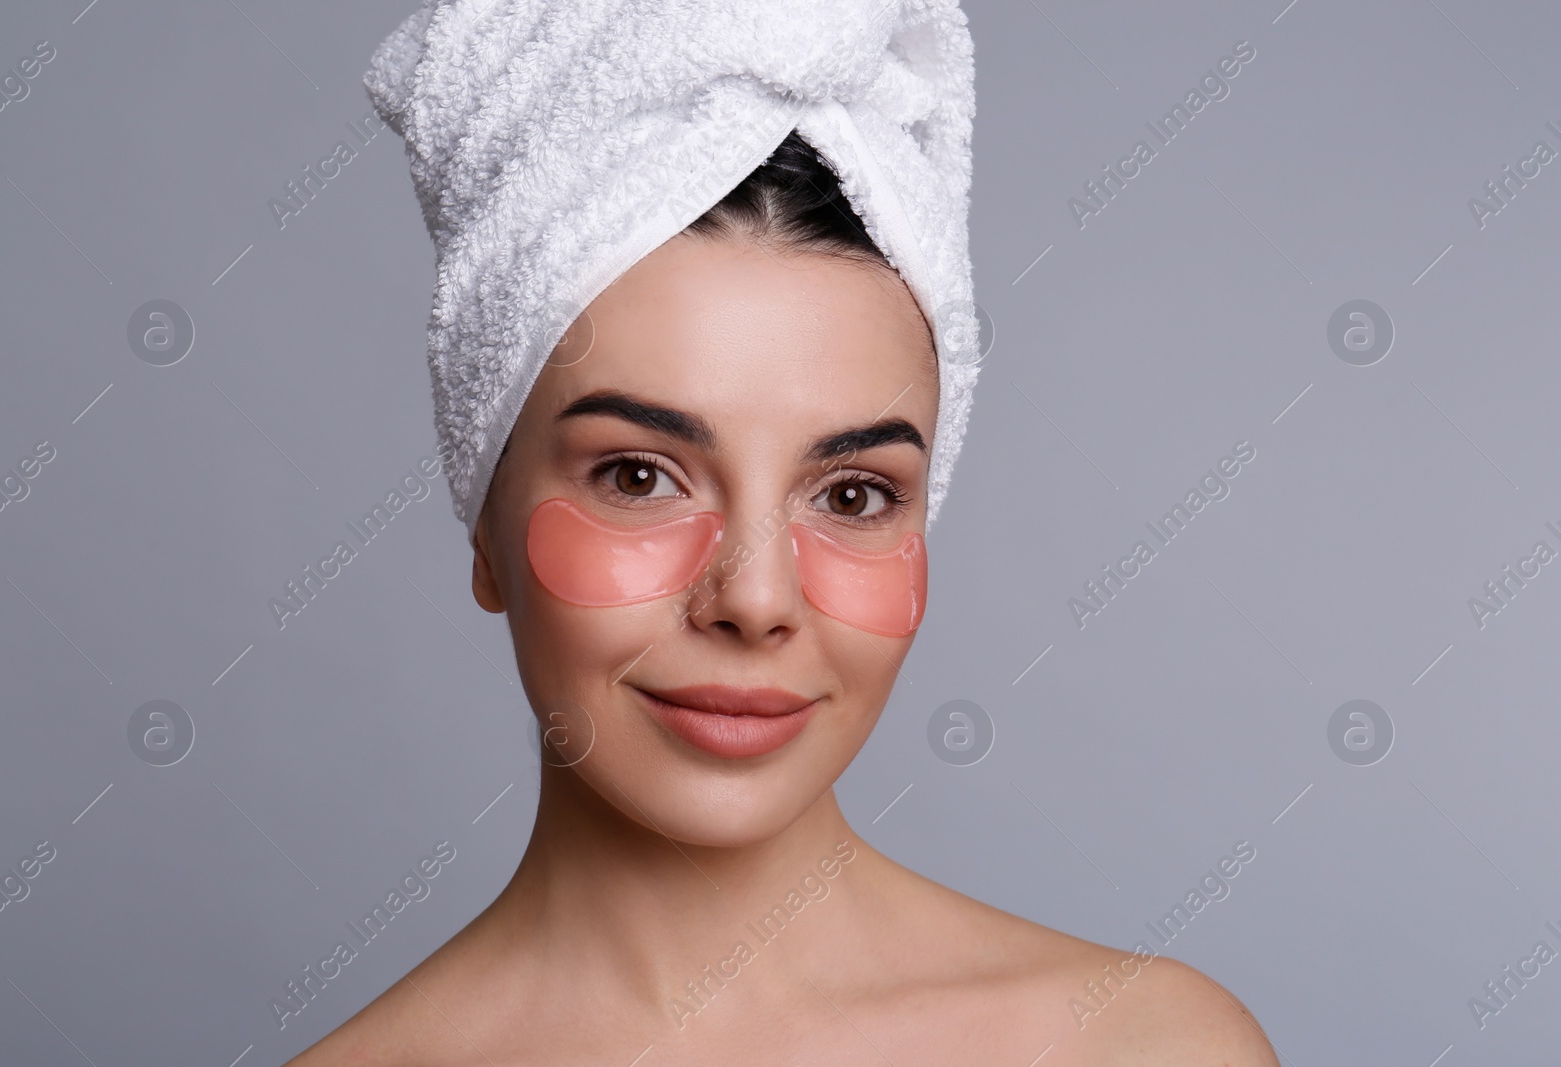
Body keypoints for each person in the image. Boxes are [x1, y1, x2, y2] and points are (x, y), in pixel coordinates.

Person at [290, 2, 1280, 1061]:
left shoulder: (1142, 1045)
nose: (755, 599)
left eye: (851, 495)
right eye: (638, 475)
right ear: (486, 522)